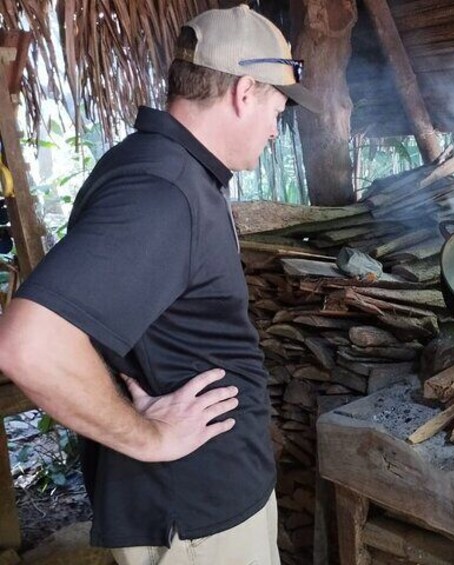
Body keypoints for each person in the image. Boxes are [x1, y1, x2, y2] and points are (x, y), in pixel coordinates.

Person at [0, 6, 320, 564]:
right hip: (195, 519)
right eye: (278, 107)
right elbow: (30, 344)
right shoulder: (165, 191)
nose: (276, 126)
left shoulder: (163, 170)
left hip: (198, 505)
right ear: (245, 92)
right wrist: (150, 438)